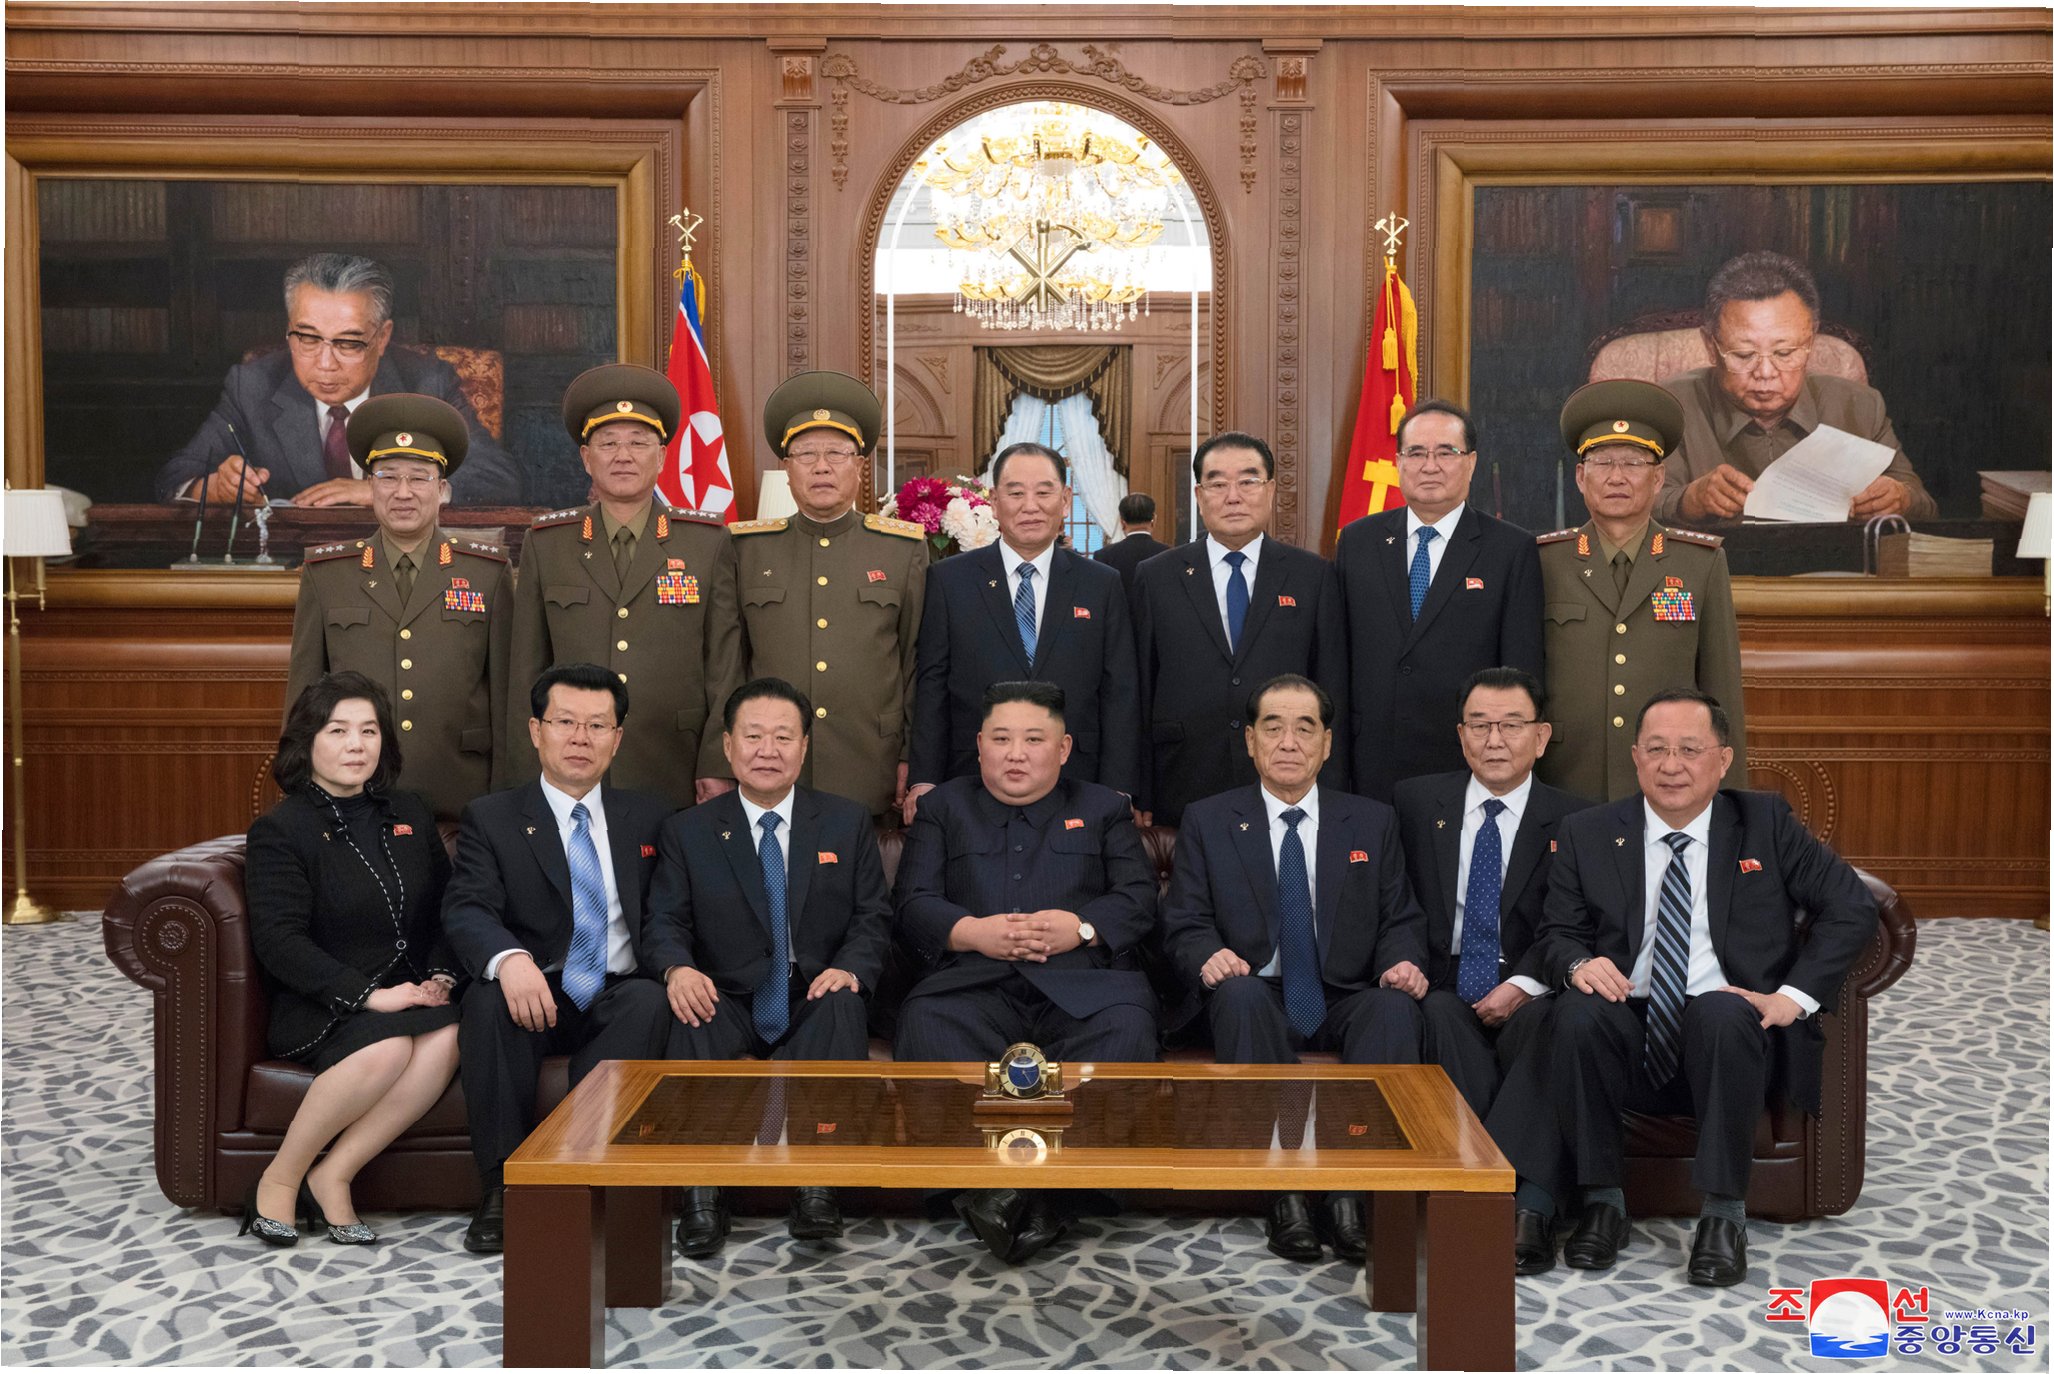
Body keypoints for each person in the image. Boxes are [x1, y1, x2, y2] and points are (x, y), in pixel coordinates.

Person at [1497, 690, 1876, 1287]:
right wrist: (1578, 964)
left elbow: (1852, 907)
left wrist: (1792, 998)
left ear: (1723, 760)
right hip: (1627, 1021)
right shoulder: (1589, 831)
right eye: (1656, 750)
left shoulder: (1764, 823)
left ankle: (1723, 1216)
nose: (1671, 765)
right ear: (1635, 758)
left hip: (1728, 1029)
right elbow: (1556, 934)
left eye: (1689, 750)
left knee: (1722, 1014)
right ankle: (1603, 1202)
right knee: (1577, 1013)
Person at [1160, 673, 1428, 1264]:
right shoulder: (1209, 819)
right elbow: (1184, 921)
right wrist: (1208, 955)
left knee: (1393, 1010)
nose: (1288, 742)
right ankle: (1287, 1191)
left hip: (1344, 991)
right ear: (1250, 740)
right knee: (1240, 996)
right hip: (1254, 991)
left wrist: (1402, 962)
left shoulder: (1372, 821)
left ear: (1326, 744)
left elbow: (1400, 917)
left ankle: (1351, 1191)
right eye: (1273, 727)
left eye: (1304, 729)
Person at [893, 681, 1160, 1263]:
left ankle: (1037, 1195)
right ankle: (995, 1189)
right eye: (1001, 740)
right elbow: (912, 902)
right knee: (926, 1022)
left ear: (1063, 749)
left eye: (1034, 740)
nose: (1016, 755)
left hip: (1084, 987)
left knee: (1127, 1028)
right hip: (972, 984)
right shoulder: (944, 808)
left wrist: (1082, 927)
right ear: (979, 746)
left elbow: (1138, 898)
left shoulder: (1103, 808)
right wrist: (972, 932)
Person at [642, 677, 890, 1258]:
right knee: (690, 1009)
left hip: (811, 989)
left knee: (842, 1004)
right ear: (728, 746)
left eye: (783, 737)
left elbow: (874, 916)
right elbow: (665, 921)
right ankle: (702, 1194)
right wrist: (678, 969)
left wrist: (852, 969)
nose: (768, 751)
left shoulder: (846, 821)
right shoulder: (688, 830)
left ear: (804, 746)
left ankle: (817, 1187)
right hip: (726, 993)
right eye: (753, 736)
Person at [441, 663, 675, 1254]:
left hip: (619, 988)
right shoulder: (493, 817)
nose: (580, 738)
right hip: (534, 987)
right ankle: (501, 1188)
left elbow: (671, 915)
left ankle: (578, 1170)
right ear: (535, 730)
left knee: (649, 1001)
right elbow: (467, 907)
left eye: (597, 726)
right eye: (565, 722)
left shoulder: (650, 818)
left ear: (617, 739)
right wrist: (508, 959)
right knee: (489, 1001)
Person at [241, 672, 460, 1247]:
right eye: (337, 731)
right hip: (322, 1000)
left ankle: (334, 1174)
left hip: (409, 992)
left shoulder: (410, 811)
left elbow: (449, 908)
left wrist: (441, 974)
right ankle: (280, 1178)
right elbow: (280, 942)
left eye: (368, 731)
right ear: (307, 743)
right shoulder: (281, 830)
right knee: (388, 1047)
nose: (356, 745)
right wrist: (369, 996)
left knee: (448, 1035)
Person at [506, 364, 743, 810]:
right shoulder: (548, 543)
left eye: (638, 442)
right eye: (608, 443)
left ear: (663, 456)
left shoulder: (707, 542)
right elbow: (526, 669)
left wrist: (718, 761)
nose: (623, 455)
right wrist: (526, 770)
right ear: (586, 457)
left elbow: (724, 664)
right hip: (570, 769)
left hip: (675, 763)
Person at [286, 393, 512, 821]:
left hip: (463, 797)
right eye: (388, 478)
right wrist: (304, 801)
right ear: (369, 487)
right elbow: (304, 696)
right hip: (352, 800)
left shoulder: (487, 572)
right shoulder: (327, 573)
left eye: (419, 478)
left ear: (442, 490)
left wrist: (505, 802)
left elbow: (506, 698)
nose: (403, 493)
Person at [155, 252, 521, 507]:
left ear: (382, 337)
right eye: (308, 339)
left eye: (348, 343)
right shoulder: (253, 385)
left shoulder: (427, 382)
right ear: (289, 330)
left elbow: (498, 480)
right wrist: (214, 487)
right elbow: (175, 477)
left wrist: (388, 489)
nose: (325, 364)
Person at [1392, 667, 1590, 1126]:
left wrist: (1525, 985)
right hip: (1443, 978)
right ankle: (1493, 1158)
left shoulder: (1577, 820)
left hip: (1531, 980)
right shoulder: (1415, 804)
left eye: (1512, 725)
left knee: (1547, 1022)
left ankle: (1480, 1157)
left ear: (1541, 737)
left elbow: (1576, 923)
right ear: (1462, 736)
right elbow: (1395, 901)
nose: (1494, 740)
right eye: (1480, 726)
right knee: (1437, 1013)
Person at [728, 372, 927, 820]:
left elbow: (916, 662)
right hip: (767, 765)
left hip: (868, 762)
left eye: (837, 453)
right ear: (787, 468)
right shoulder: (747, 548)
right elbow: (729, 664)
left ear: (860, 465)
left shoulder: (902, 549)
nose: (822, 467)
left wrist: (911, 756)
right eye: (806, 454)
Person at [904, 443, 1139, 822]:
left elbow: (1120, 692)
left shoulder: (1102, 583)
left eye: (1044, 492)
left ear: (1065, 501)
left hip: (1080, 781)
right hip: (970, 781)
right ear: (994, 502)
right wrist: (924, 778)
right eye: (1015, 493)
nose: (1031, 506)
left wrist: (1119, 785)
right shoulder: (949, 580)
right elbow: (933, 684)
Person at [1536, 380, 1746, 802]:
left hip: (1669, 784)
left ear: (1658, 478)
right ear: (1580, 477)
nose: (1617, 477)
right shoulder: (1543, 561)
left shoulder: (1699, 564)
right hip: (1563, 781)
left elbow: (1721, 692)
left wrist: (1731, 808)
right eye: (1602, 462)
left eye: (1633, 463)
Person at [1132, 431, 1348, 827]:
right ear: (1199, 496)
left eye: (1248, 481)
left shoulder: (1312, 575)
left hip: (1287, 777)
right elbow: (1141, 686)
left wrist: (1332, 783)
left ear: (1270, 490)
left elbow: (1330, 684)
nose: (1233, 496)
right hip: (1182, 775)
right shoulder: (1156, 576)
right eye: (1217, 484)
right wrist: (1139, 786)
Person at [1333, 399, 1543, 802]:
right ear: (1398, 462)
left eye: (1446, 452)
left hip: (1466, 764)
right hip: (1370, 764)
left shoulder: (1510, 550)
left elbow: (1521, 671)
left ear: (1471, 462)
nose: (1430, 466)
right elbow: (1337, 660)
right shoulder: (1358, 542)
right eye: (1416, 453)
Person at [1657, 250, 1936, 523]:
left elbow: (1924, 506)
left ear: (1810, 342)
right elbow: (1637, 506)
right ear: (1710, 346)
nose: (1765, 373)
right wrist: (1687, 500)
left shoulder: (1859, 406)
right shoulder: (1670, 406)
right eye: (1744, 355)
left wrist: (1901, 498)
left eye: (1784, 353)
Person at [1091, 492, 1170, 594]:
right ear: (1154, 520)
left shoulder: (1103, 555)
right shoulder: (1168, 554)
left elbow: (1099, 594)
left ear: (1122, 522)